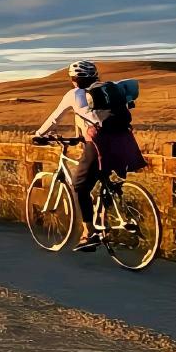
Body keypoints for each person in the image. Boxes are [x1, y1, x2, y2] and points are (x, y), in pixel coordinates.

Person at [33, 60, 131, 252]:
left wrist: (39, 134)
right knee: (103, 181)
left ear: (73, 79)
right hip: (123, 142)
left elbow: (55, 117)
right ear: (95, 75)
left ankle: (89, 232)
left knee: (80, 186)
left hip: (97, 144)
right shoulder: (109, 90)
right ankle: (104, 223)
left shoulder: (75, 94)